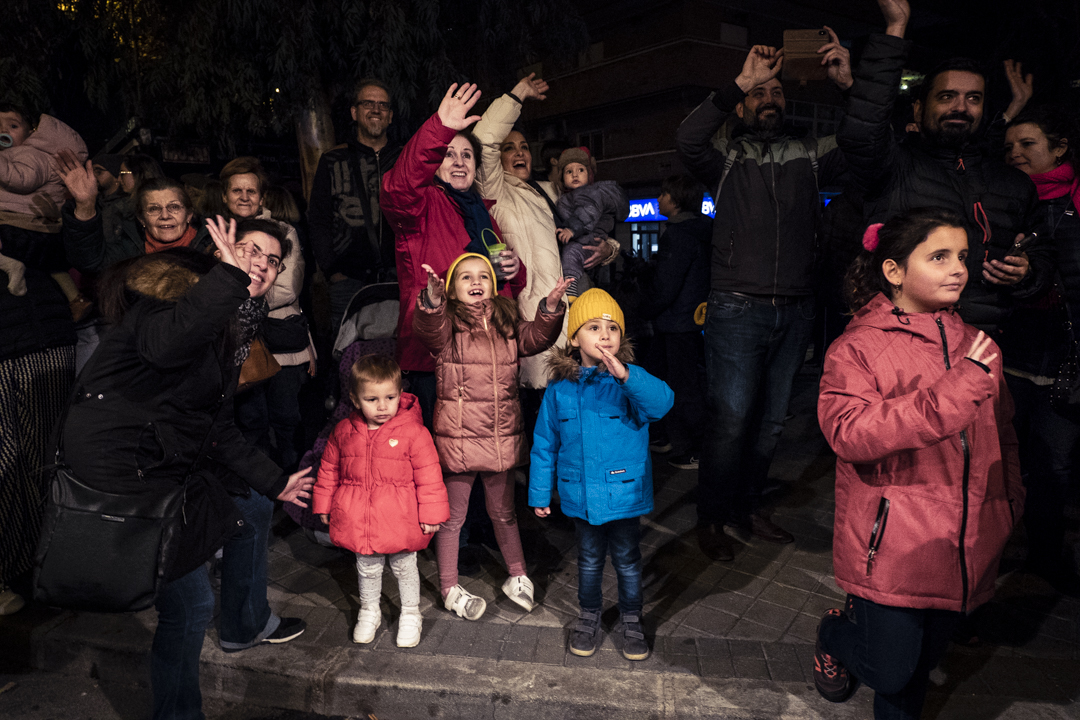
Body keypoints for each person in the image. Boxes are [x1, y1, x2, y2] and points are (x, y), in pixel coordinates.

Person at [62, 217, 315, 720]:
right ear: (220, 250)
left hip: (163, 458)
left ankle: (243, 624)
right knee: (191, 605)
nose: (260, 264)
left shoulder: (233, 317)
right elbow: (164, 346)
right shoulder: (178, 296)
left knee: (253, 507)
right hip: (128, 472)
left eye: (272, 260)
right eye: (249, 250)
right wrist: (226, 276)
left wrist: (275, 479)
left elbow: (216, 424)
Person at [815, 208, 1023, 719]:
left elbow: (1005, 436)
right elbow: (849, 432)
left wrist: (1009, 504)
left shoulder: (980, 346)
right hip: (895, 543)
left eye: (962, 257)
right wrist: (956, 390)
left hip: (964, 542)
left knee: (915, 675)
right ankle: (837, 635)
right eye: (939, 257)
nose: (958, 269)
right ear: (894, 271)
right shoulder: (856, 348)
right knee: (889, 670)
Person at [675, 27, 852, 561]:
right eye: (760, 94)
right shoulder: (725, 157)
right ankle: (713, 515)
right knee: (730, 419)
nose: (770, 99)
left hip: (795, 307)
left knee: (772, 421)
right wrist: (738, 84)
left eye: (776, 92)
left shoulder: (810, 153)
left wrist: (848, 87)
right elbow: (687, 140)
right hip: (736, 308)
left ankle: (749, 506)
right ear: (744, 107)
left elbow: (867, 143)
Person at [838, 0, 1045, 334]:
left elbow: (1043, 253)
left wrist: (1028, 272)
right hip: (907, 344)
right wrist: (896, 29)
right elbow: (861, 131)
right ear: (919, 109)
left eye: (973, 98)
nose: (960, 107)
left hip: (986, 347)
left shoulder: (1014, 183)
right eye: (947, 96)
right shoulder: (896, 169)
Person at [412, 253, 567, 620]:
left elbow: (537, 337)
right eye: (465, 277)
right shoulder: (447, 323)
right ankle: (449, 585)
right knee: (452, 517)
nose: (475, 281)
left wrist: (549, 307)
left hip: (499, 436)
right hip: (459, 438)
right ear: (452, 288)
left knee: (505, 513)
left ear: (494, 286)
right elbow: (427, 328)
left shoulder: (507, 320)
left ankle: (517, 574)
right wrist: (433, 301)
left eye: (482, 275)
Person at [529, 288, 674, 660]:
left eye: (612, 327)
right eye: (593, 327)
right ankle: (589, 615)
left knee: (627, 560)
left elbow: (662, 403)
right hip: (581, 497)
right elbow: (545, 443)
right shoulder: (559, 389)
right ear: (575, 338)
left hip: (624, 494)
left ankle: (631, 619)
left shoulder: (629, 381)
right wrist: (539, 494)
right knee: (589, 560)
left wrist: (627, 376)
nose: (605, 334)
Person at [380, 82, 525, 426]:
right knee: (440, 462)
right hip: (435, 358)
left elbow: (506, 288)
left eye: (466, 155)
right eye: (449, 154)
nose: (459, 161)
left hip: (487, 355)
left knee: (482, 454)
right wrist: (439, 129)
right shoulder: (422, 205)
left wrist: (515, 270)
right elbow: (397, 188)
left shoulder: (483, 215)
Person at [474, 75, 617, 394]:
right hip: (534, 317)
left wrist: (608, 248)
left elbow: (591, 226)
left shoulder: (549, 192)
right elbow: (483, 139)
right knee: (541, 405)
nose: (519, 152)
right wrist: (518, 95)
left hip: (574, 312)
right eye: (508, 148)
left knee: (581, 405)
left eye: (524, 146)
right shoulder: (496, 191)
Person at [998, 105, 1080, 593]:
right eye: (1009, 147)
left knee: (1053, 466)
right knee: (1003, 462)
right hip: (1008, 359)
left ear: (1059, 148)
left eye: (1027, 144)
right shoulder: (1009, 203)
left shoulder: (1074, 201)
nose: (1016, 154)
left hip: (1061, 363)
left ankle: (1044, 560)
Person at [313, 354, 449, 647]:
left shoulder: (414, 432)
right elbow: (329, 469)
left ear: (400, 394)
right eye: (372, 399)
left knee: (404, 566)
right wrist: (323, 504)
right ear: (354, 398)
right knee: (367, 566)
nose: (383, 405)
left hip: (400, 517)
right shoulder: (344, 432)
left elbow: (429, 475)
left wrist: (432, 513)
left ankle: (411, 612)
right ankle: (369, 609)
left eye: (390, 397)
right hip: (360, 517)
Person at [221, 157, 314, 470]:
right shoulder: (219, 235)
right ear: (225, 196)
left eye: (252, 191)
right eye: (237, 191)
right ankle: (262, 493)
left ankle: (293, 490)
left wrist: (233, 299)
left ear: (262, 197)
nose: (245, 197)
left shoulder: (283, 232)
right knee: (250, 422)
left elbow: (287, 288)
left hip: (280, 344)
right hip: (237, 348)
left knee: (287, 420)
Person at [0, 236, 76, 615]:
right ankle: (11, 573)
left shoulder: (22, 217)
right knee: (9, 465)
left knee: (50, 461)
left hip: (51, 336)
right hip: (7, 352)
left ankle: (48, 567)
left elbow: (52, 247)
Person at [309, 79, 402, 334]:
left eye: (382, 105)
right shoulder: (332, 160)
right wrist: (332, 271)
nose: (376, 109)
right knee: (348, 356)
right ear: (354, 112)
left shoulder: (404, 159)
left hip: (399, 277)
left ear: (390, 116)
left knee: (397, 356)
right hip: (348, 280)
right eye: (368, 103)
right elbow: (318, 219)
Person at [639, 175, 711, 469]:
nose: (659, 199)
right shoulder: (706, 229)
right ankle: (664, 436)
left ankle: (697, 449)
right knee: (664, 378)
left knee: (682, 386)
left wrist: (645, 308)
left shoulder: (677, 234)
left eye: (663, 194)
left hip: (675, 322)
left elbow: (666, 286)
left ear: (676, 199)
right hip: (694, 318)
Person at [0, 104, 87, 271]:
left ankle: (12, 267)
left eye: (13, 126)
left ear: (31, 132)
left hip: (24, 228)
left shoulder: (31, 154)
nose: (3, 131)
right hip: (23, 227)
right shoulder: (9, 156)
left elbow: (22, 179)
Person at [554, 147, 628, 298]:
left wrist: (572, 230)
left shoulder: (588, 193)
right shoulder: (570, 195)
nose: (575, 174)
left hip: (587, 238)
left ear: (590, 174)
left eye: (580, 170)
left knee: (571, 254)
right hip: (584, 239)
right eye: (569, 171)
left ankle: (571, 292)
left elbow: (587, 212)